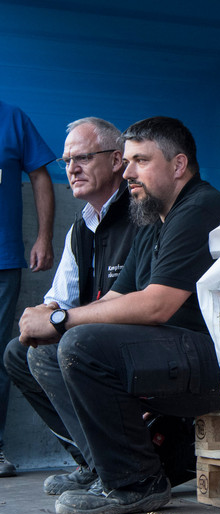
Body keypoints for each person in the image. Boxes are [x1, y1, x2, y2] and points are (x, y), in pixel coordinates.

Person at [18, 116, 220, 514]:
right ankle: (108, 469)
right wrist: (56, 321)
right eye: (128, 161)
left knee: (80, 343)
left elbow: (157, 305)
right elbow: (120, 297)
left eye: (140, 160)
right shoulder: (152, 218)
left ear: (178, 165)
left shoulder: (200, 207)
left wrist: (60, 322)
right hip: (180, 355)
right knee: (45, 352)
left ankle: (136, 484)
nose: (128, 171)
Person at [4, 117, 135, 486]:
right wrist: (41, 318)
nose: (72, 169)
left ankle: (120, 471)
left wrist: (59, 320)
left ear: (115, 161)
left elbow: (145, 305)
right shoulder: (82, 225)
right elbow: (55, 300)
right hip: (97, 339)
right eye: (66, 161)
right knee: (19, 352)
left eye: (83, 158)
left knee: (56, 349)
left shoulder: (140, 213)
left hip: (140, 342)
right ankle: (93, 463)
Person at [0, 100, 56, 477]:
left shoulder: (12, 117)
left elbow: (40, 176)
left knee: (1, 355)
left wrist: (44, 236)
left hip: (2, 260)